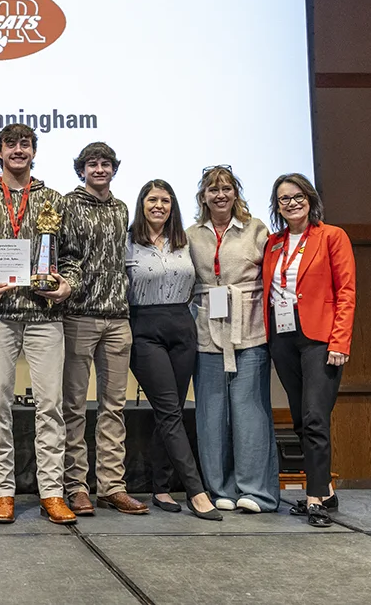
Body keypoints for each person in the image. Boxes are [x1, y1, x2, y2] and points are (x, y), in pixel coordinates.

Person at [0, 123, 78, 525]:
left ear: (34, 151)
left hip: (45, 316)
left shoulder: (55, 200)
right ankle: (3, 492)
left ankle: (52, 493)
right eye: (11, 144)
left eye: (25, 144)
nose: (18, 150)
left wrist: (66, 285)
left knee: (51, 407)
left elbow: (73, 258)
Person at [263, 173, 355, 528]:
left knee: (316, 417)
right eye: (284, 199)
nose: (292, 203)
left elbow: (346, 291)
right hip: (283, 339)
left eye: (298, 196)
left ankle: (314, 498)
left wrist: (340, 341)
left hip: (320, 338)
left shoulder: (332, 237)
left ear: (310, 198)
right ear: (277, 206)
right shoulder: (273, 244)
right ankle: (326, 490)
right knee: (302, 419)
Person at [126, 180, 221, 521]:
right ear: (142, 203)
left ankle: (161, 486)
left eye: (165, 200)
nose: (159, 206)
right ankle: (196, 491)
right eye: (152, 199)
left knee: (173, 410)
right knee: (169, 409)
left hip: (183, 326)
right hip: (144, 328)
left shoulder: (186, 240)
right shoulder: (127, 241)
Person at [62, 143, 148, 516]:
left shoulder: (121, 208)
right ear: (81, 169)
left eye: (106, 164)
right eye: (92, 164)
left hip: (117, 317)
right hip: (78, 315)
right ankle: (76, 486)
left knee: (114, 406)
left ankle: (111, 486)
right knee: (74, 407)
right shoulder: (66, 204)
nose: (99, 169)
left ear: (114, 169)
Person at [187, 166, 279, 513]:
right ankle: (218, 489)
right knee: (211, 414)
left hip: (250, 331)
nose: (220, 195)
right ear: (204, 196)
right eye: (213, 190)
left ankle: (256, 492)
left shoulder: (256, 229)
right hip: (207, 335)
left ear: (236, 193)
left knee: (250, 413)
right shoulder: (192, 234)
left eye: (226, 188)